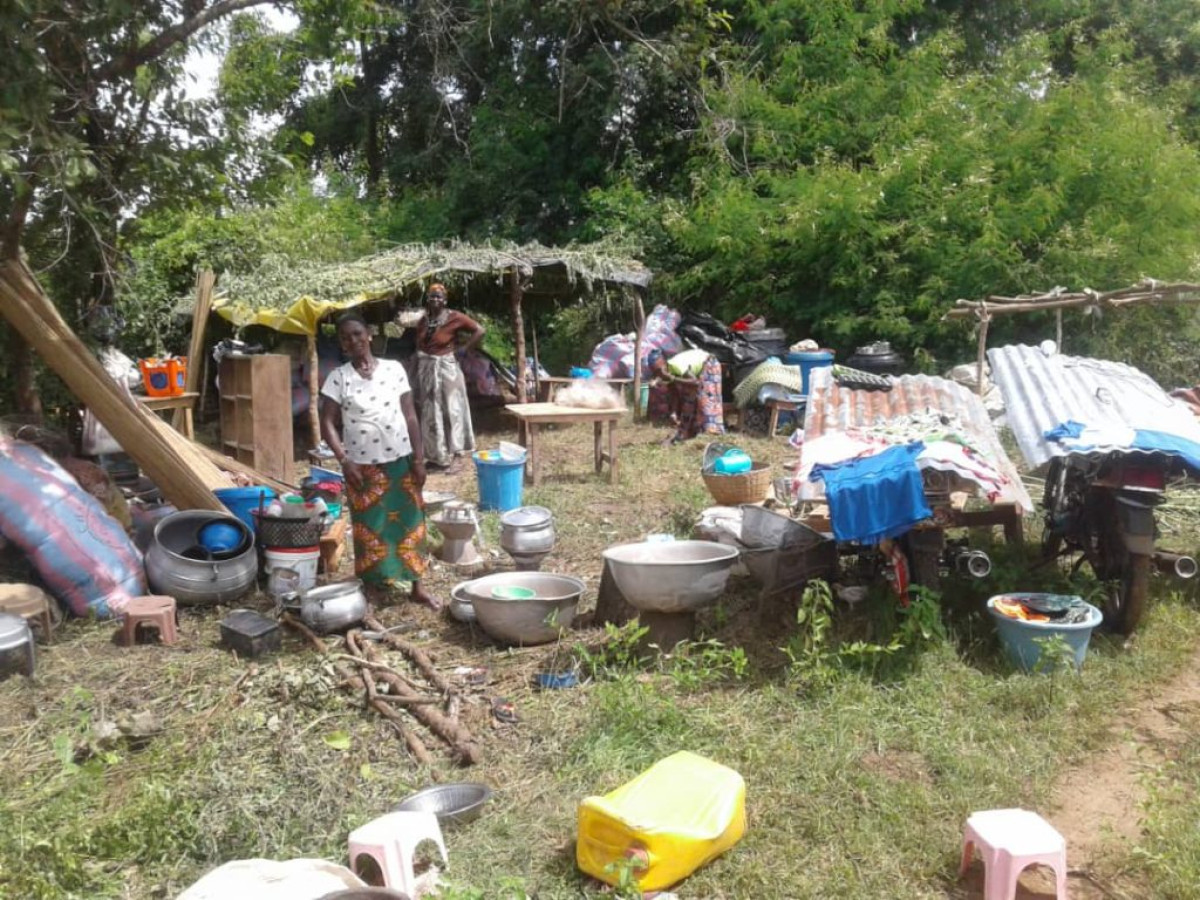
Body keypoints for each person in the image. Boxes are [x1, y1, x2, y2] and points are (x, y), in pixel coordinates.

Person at [319, 312, 439, 609]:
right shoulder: (338, 378)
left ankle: (417, 586)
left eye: (357, 334)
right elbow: (327, 422)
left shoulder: (394, 369)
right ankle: (373, 587)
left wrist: (419, 459)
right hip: (361, 467)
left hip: (401, 460)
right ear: (342, 344)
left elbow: (410, 415)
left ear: (369, 335)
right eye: (345, 338)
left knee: (411, 523)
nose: (353, 341)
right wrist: (344, 460)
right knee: (369, 528)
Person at [413, 283, 486, 473]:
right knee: (431, 412)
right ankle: (437, 456)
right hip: (427, 369)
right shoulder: (424, 321)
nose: (435, 299)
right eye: (432, 296)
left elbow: (479, 330)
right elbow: (419, 346)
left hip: (447, 368)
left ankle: (458, 456)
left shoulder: (454, 317)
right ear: (427, 299)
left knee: (453, 409)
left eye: (439, 297)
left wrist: (464, 349)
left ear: (445, 300)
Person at [647, 347, 726, 444]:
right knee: (689, 400)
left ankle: (712, 434)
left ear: (664, 363)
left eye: (659, 370)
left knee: (706, 400)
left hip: (709, 363)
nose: (659, 374)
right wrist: (673, 412)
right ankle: (690, 432)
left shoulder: (676, 366)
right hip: (696, 372)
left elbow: (695, 382)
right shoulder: (666, 373)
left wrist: (672, 378)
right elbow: (674, 393)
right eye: (655, 372)